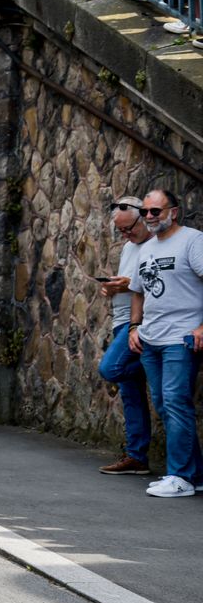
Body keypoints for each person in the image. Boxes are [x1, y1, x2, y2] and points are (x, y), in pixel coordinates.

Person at [128, 190, 203, 498]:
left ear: (174, 211)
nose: (149, 217)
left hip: (180, 337)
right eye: (145, 212)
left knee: (174, 402)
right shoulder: (145, 248)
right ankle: (195, 475)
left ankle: (180, 476)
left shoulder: (192, 240)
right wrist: (135, 326)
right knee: (164, 404)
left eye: (155, 211)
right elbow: (137, 291)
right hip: (150, 339)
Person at [96, 197, 156, 476]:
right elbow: (130, 282)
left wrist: (126, 285)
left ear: (143, 217)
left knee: (111, 367)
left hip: (140, 324)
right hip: (121, 322)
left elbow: (148, 284)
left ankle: (150, 361)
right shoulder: (130, 247)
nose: (125, 235)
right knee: (131, 393)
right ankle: (136, 456)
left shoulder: (154, 245)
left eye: (128, 228)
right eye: (120, 231)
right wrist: (111, 288)